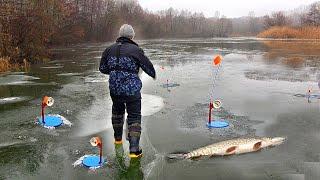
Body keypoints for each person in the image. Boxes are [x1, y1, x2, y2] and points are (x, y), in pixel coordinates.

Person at [99, 24, 156, 158]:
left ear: (119, 35)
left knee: (117, 113)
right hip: (132, 91)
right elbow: (149, 69)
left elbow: (102, 68)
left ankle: (117, 139)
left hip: (115, 90)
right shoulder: (136, 50)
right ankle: (134, 150)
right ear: (132, 36)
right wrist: (149, 73)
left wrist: (115, 71)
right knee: (134, 117)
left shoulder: (108, 50)